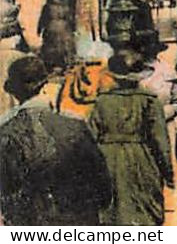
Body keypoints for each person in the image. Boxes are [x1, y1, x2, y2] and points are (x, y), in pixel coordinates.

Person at [0, 55, 113, 225]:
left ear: (14, 92)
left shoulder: (6, 132)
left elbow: (8, 195)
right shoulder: (75, 125)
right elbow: (102, 185)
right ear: (44, 85)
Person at [88, 49, 173, 225]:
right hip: (141, 160)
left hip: (108, 160)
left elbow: (91, 139)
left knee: (111, 214)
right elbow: (161, 142)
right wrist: (168, 173)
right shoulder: (149, 101)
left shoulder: (101, 101)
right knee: (143, 213)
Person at [38, 0, 76, 73]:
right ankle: (67, 65)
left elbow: (46, 9)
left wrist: (40, 26)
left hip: (52, 22)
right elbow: (73, 7)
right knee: (66, 44)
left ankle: (51, 66)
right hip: (65, 22)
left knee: (51, 44)